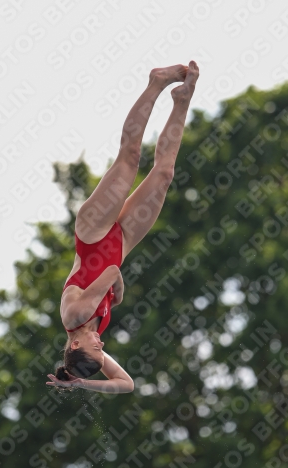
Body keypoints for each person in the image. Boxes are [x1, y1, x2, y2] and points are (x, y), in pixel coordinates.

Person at [46, 61, 199, 394]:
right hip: (121, 241)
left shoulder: (76, 317)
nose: (101, 344)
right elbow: (126, 384)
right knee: (164, 174)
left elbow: (113, 272)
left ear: (74, 346)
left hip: (92, 234)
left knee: (129, 158)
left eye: (96, 347)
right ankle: (182, 100)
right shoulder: (87, 335)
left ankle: (157, 82)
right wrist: (82, 382)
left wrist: (118, 297)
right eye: (102, 350)